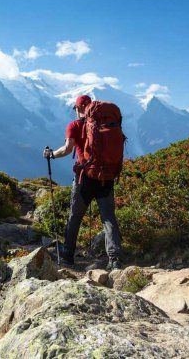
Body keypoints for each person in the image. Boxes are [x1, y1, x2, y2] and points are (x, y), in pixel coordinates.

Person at [43, 94, 123, 270]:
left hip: (84, 178)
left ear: (79, 108)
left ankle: (67, 256)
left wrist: (51, 154)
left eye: (76, 108)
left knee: (75, 217)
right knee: (108, 217)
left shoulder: (74, 125)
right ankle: (115, 259)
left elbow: (67, 149)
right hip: (106, 177)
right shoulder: (106, 123)